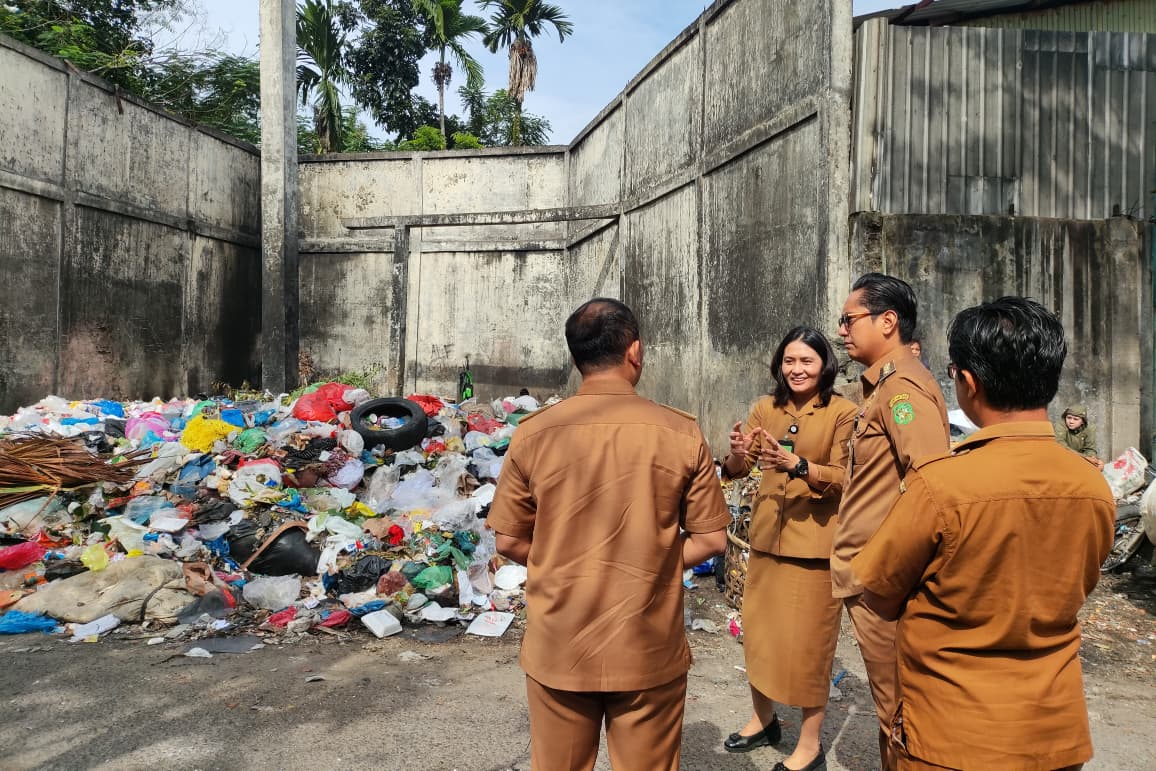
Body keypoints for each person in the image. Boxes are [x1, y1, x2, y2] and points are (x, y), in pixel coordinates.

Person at [852, 297, 1114, 770]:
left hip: (951, 736)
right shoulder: (1093, 486)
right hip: (1055, 732)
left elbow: (880, 593)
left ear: (968, 383)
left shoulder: (940, 485)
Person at [487, 298, 730, 771]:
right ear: (634, 351)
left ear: (576, 356)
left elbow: (509, 542)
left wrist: (564, 559)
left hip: (560, 644)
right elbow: (711, 541)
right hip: (647, 644)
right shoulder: (680, 432)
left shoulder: (533, 433)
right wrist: (652, 560)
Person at [721, 326, 857, 771]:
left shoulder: (843, 412)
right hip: (766, 541)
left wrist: (799, 465)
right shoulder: (766, 407)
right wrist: (737, 452)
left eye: (806, 361)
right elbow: (739, 468)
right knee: (759, 637)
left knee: (810, 648)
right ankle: (763, 719)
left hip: (813, 546)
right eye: (789, 361)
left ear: (824, 365)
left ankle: (810, 745)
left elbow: (845, 477)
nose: (797, 369)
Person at [831, 273, 950, 768]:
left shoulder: (901, 391)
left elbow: (931, 486)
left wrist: (886, 573)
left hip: (886, 584)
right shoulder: (883, 387)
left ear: (887, 321)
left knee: (902, 718)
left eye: (849, 319)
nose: (841, 331)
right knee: (893, 713)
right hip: (875, 577)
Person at [1055, 405, 1104, 470]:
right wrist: (1085, 457)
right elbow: (1061, 446)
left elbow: (1090, 448)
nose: (1071, 422)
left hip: (1080, 459)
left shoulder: (1089, 428)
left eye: (1076, 419)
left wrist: (1093, 459)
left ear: (1082, 421)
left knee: (1099, 466)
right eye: (1069, 418)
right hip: (1063, 457)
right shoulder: (1061, 426)